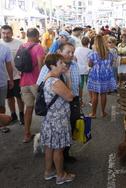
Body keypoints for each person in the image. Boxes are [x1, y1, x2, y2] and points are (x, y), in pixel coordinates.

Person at [37, 42, 80, 162]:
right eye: (68, 52)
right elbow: (40, 86)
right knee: (58, 135)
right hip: (58, 108)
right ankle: (60, 160)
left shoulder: (74, 65)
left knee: (70, 129)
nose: (71, 55)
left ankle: (65, 155)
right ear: (59, 53)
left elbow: (79, 85)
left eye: (72, 52)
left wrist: (79, 100)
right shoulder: (49, 67)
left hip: (72, 101)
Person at [40, 54, 75, 185]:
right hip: (58, 120)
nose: (64, 65)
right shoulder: (55, 81)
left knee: (50, 147)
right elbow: (70, 96)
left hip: (50, 119)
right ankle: (60, 175)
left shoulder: (48, 77)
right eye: (61, 63)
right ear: (53, 65)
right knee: (58, 149)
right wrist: (68, 77)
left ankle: (48, 172)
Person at [20, 28, 45, 143]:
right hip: (36, 82)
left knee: (28, 108)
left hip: (24, 82)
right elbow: (41, 66)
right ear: (36, 35)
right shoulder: (38, 47)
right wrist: (43, 82)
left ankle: (26, 134)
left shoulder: (22, 46)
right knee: (45, 107)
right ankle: (48, 133)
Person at [88, 34, 116, 118]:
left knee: (94, 95)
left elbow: (90, 65)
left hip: (95, 76)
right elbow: (110, 64)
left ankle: (93, 113)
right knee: (103, 94)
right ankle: (103, 112)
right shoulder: (109, 54)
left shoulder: (93, 54)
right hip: (105, 76)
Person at [0, 25, 25, 124]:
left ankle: (21, 114)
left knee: (19, 96)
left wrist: (22, 71)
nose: (6, 35)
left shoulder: (19, 43)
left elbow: (24, 59)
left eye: (8, 33)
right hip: (4, 78)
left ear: (12, 33)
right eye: (3, 33)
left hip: (17, 75)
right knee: (9, 98)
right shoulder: (0, 44)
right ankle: (13, 114)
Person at [74, 37, 92, 106]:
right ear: (88, 43)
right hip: (87, 69)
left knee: (80, 86)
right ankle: (91, 100)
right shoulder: (90, 51)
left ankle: (80, 101)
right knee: (89, 85)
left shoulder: (77, 49)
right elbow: (90, 61)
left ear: (81, 42)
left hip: (79, 69)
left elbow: (75, 59)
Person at [0, 43, 13, 114]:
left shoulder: (5, 48)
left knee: (1, 105)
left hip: (2, 83)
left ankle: (1, 124)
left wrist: (11, 80)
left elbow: (9, 66)